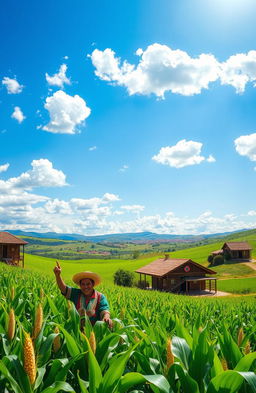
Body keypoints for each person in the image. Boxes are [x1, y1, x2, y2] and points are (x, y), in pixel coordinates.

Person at [53, 261, 112, 329]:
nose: (85, 287)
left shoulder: (100, 297)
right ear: (80, 285)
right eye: (83, 284)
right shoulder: (76, 294)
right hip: (78, 332)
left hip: (94, 333)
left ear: (93, 284)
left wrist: (106, 317)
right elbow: (64, 289)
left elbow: (104, 310)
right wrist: (58, 275)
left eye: (88, 284)